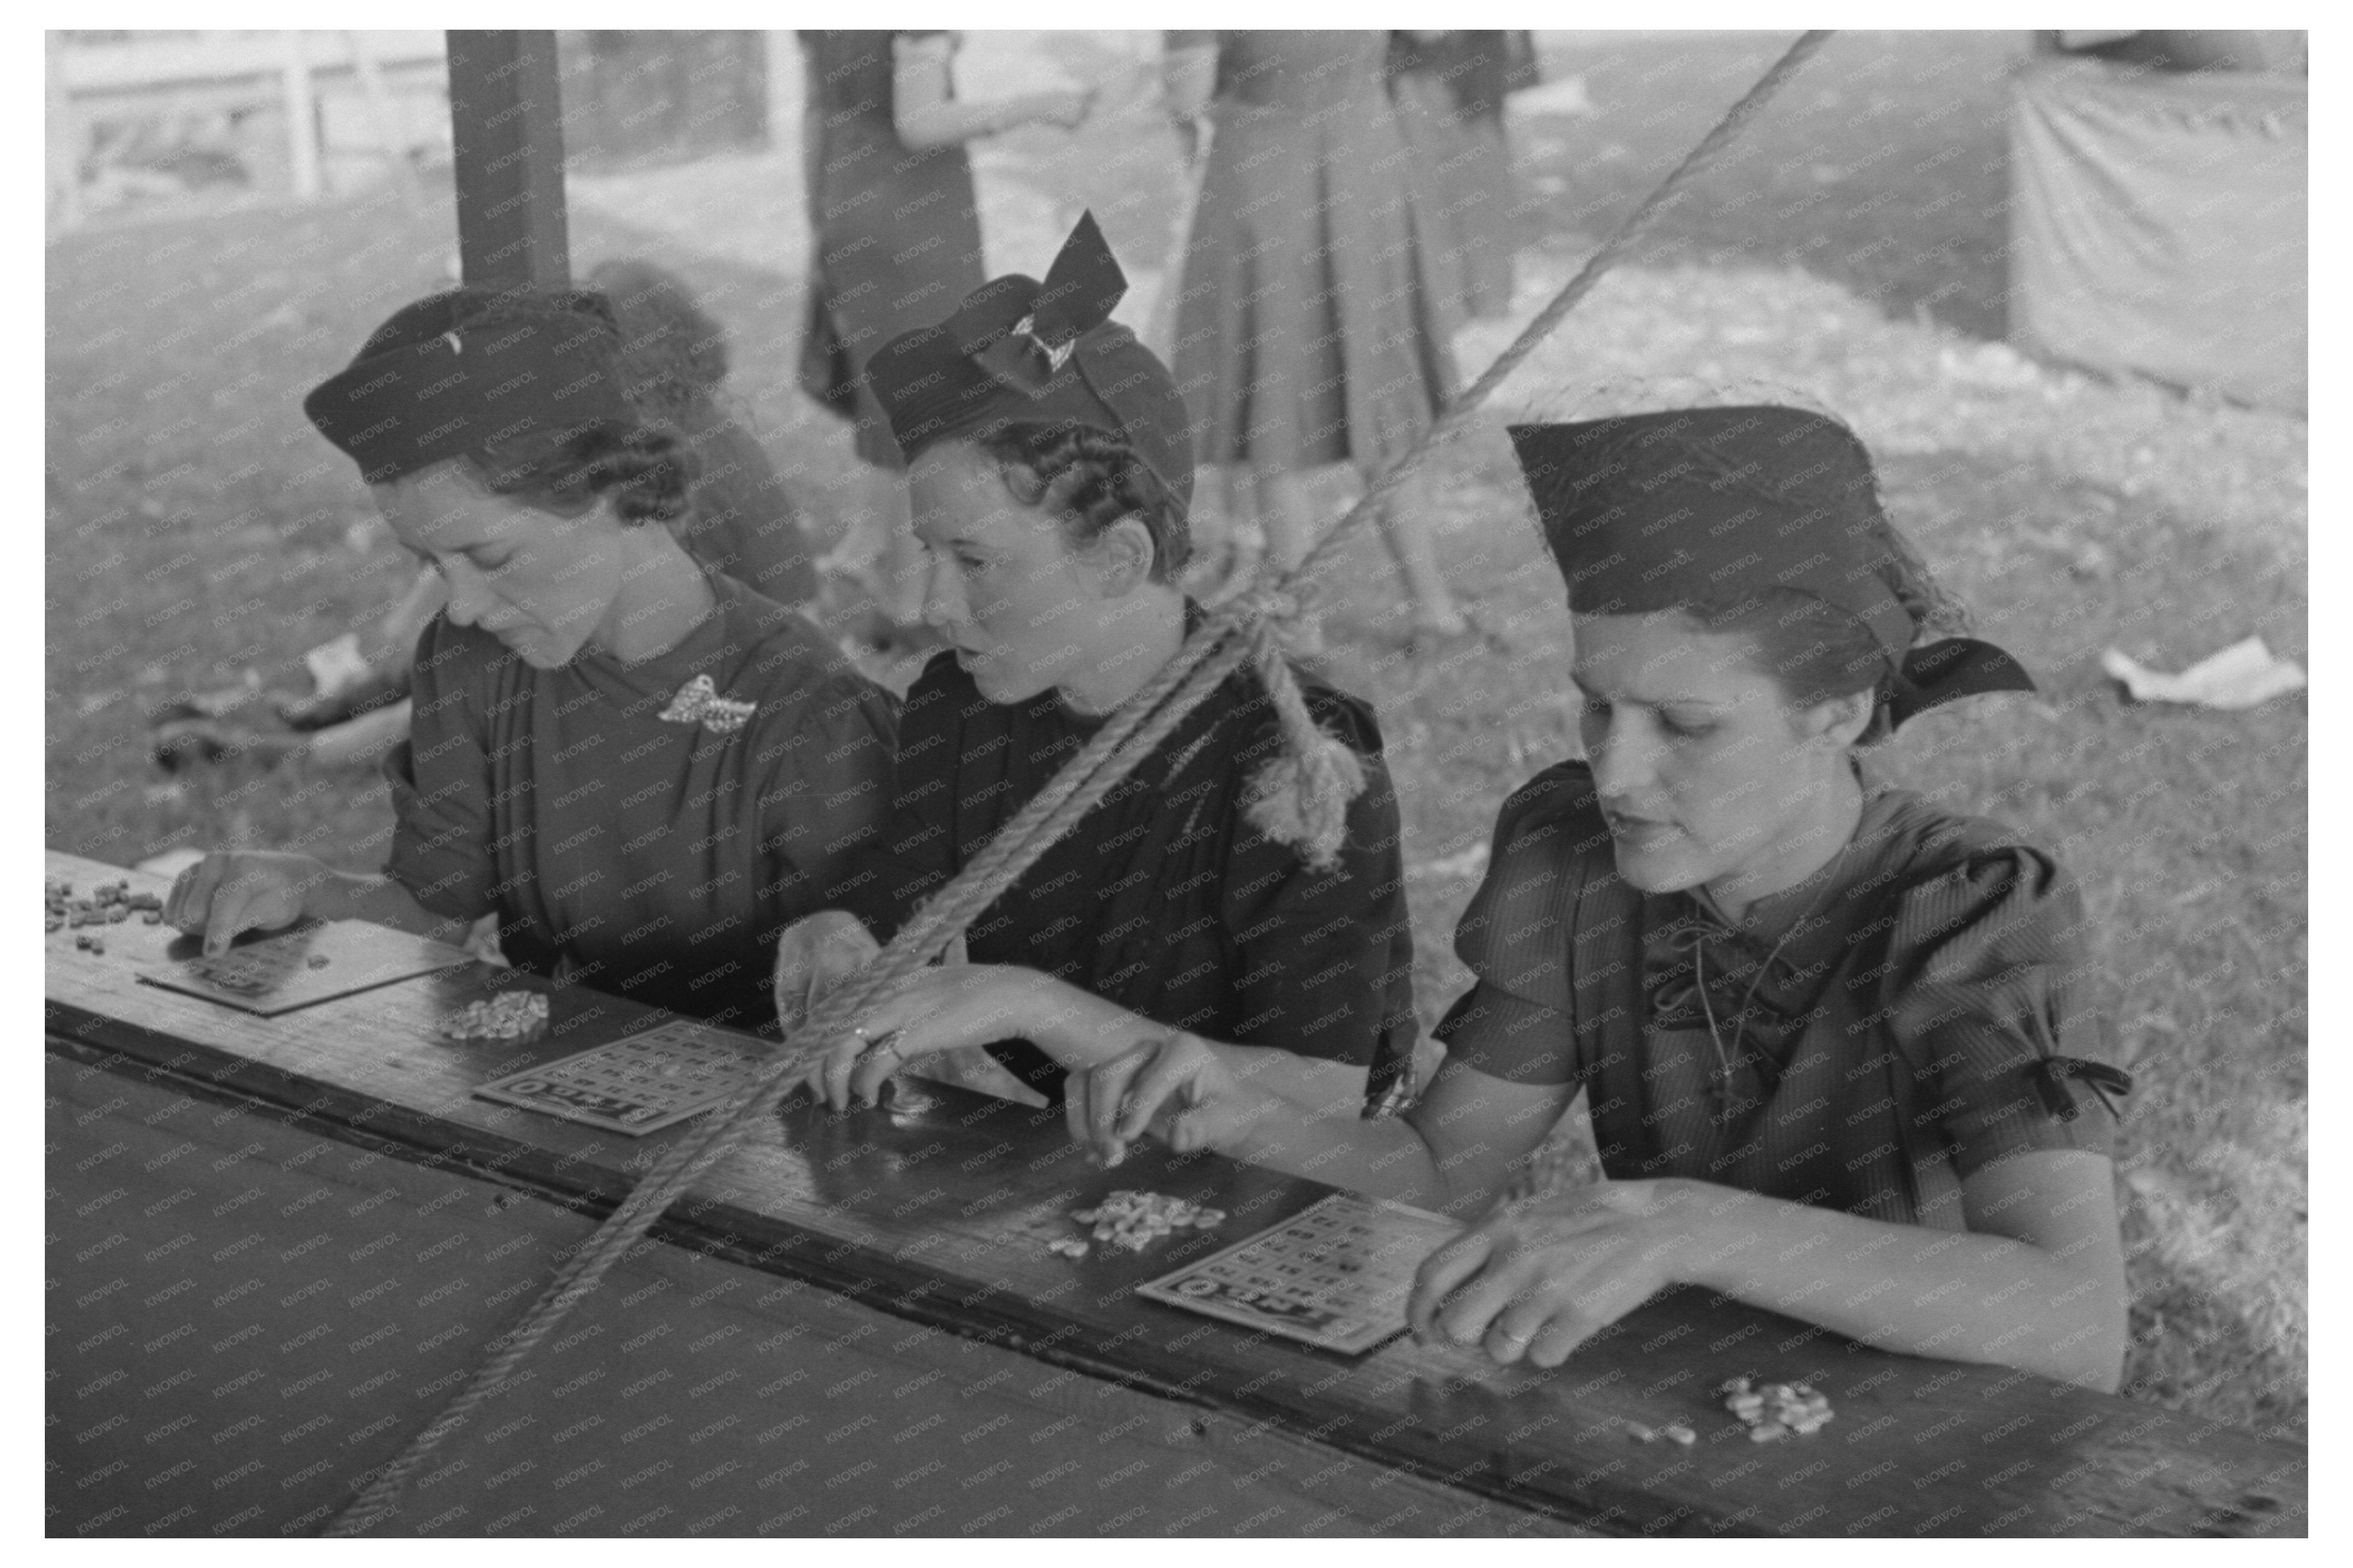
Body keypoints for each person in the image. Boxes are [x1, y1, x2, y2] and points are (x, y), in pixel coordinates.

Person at [1013, 405, 2133, 1391]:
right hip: (1668, 1402)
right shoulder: (1576, 852)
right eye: (1596, 706)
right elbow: (1444, 1172)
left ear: (1835, 713)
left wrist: (1686, 1224)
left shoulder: (1971, 907)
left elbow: (2077, 1323)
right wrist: (1244, 1110)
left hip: (1923, 1438)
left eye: (1683, 725)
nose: (1615, 772)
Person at [787, 213, 1420, 1130]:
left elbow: (1316, 1099)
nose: (931, 604)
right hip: (1105, 1151)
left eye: (972, 560)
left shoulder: (1296, 762)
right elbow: (902, 879)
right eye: (927, 553)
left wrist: (1029, 1002)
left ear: (1120, 558)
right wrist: (840, 928)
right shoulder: (964, 700)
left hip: (1301, 1186)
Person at [165, 285, 896, 1032]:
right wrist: (310, 886)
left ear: (612, 486)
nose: (463, 606)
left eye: (491, 555)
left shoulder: (805, 708)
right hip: (539, 1087)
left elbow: (877, 996)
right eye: (429, 562)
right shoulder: (470, 661)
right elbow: (433, 906)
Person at [153, 260, 821, 772]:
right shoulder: (651, 440)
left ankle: (305, 745)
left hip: (680, 674)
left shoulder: (669, 473)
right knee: (459, 596)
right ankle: (340, 698)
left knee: (473, 690)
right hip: (587, 628)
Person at [1161, 30, 1470, 655]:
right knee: (1379, 392)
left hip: (1263, 169)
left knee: (1276, 409)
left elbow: (1185, 96)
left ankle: (1301, 630)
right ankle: (1433, 611)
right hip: (1364, 159)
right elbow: (1434, 31)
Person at [798, 30, 1093, 636]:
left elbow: (815, 110)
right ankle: (905, 610)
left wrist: (826, 215)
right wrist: (1035, 106)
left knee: (891, 401)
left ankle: (872, 554)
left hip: (848, 190)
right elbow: (919, 120)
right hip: (916, 207)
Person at [1387, 31, 1537, 325]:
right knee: (1426, 191)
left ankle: (1480, 301)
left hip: (1468, 66)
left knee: (1478, 184)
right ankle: (1445, 306)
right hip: (1423, 67)